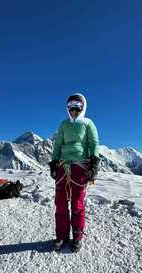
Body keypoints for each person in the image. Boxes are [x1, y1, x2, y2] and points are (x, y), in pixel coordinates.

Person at [49, 93, 100, 252]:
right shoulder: (63, 124)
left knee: (77, 203)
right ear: (67, 107)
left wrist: (94, 161)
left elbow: (93, 143)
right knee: (61, 202)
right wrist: (54, 161)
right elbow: (58, 145)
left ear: (83, 107)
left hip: (80, 165)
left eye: (77, 106)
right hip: (63, 165)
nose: (74, 109)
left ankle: (77, 236)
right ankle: (62, 235)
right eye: (71, 106)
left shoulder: (88, 123)